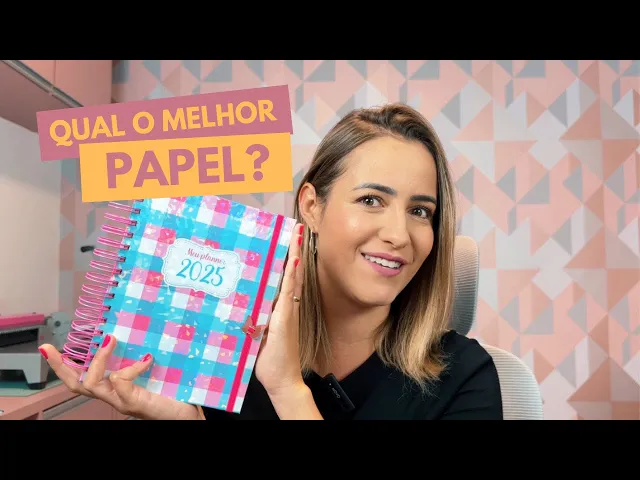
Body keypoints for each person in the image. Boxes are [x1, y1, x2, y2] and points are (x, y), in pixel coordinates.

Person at [38, 103, 503, 420]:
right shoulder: (224, 348)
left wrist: (289, 391)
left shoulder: (466, 377)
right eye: (370, 200)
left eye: (420, 211)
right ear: (312, 206)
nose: (399, 235)